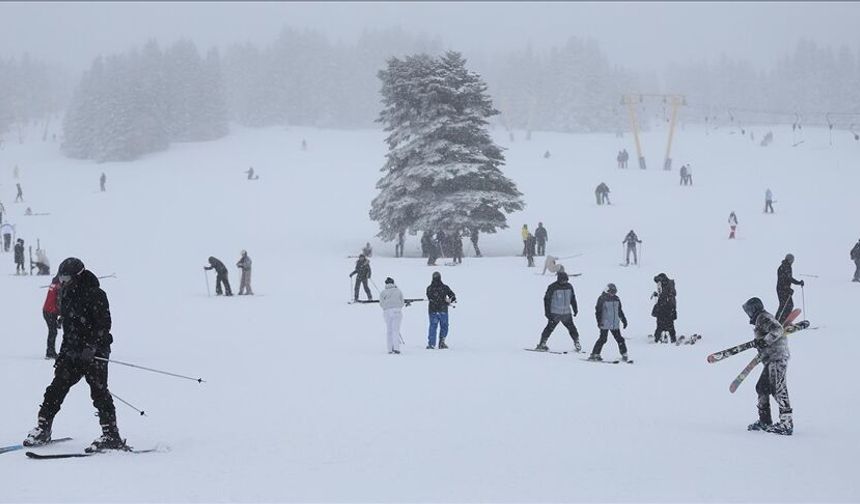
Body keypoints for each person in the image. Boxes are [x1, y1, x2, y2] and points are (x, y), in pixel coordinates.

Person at [23, 257, 127, 452]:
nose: (62, 282)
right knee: (56, 388)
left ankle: (111, 435)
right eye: (61, 278)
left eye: (66, 278)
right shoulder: (66, 293)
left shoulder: (96, 294)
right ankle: (43, 428)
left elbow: (104, 324)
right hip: (72, 351)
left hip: (95, 351)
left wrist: (91, 347)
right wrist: (63, 354)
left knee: (99, 392)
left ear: (77, 276)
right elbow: (69, 328)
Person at [743, 297, 793, 435]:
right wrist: (760, 343)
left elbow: (778, 330)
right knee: (762, 387)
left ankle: (786, 423)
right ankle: (764, 421)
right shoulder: (761, 318)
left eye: (749, 311)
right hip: (771, 358)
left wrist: (764, 341)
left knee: (778, 389)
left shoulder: (763, 318)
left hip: (777, 358)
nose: (748, 314)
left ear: (754, 309)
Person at [536, 271, 581, 352]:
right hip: (555, 313)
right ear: (559, 279)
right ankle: (542, 343)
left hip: (566, 313)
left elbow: (572, 298)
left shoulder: (569, 286)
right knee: (549, 329)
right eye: (563, 280)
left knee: (572, 329)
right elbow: (547, 300)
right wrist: (547, 313)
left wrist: (575, 309)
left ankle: (577, 342)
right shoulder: (553, 287)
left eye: (566, 280)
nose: (565, 281)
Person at [589, 283, 629, 362]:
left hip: (614, 323)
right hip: (605, 323)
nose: (612, 294)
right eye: (611, 292)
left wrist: (624, 320)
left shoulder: (616, 299)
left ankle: (624, 354)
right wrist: (599, 322)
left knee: (620, 339)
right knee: (603, 339)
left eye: (614, 292)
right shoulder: (602, 299)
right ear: (607, 291)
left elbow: (619, 311)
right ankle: (595, 354)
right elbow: (598, 312)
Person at [426, 271, 456, 349]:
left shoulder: (429, 288)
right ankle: (442, 342)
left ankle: (431, 344)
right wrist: (449, 300)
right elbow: (453, 296)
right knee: (444, 326)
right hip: (443, 310)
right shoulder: (445, 287)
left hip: (433, 310)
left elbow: (430, 297)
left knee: (433, 327)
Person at [379, 277, 404, 354]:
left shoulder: (383, 292)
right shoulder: (398, 291)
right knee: (395, 330)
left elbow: (381, 303)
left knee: (389, 331)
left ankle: (389, 349)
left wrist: (386, 307)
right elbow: (402, 302)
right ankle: (396, 348)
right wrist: (398, 306)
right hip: (397, 311)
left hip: (387, 312)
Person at [651, 273, 677, 343]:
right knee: (661, 324)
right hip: (663, 307)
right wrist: (658, 295)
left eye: (659, 281)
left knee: (667, 324)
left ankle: (671, 339)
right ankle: (658, 338)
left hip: (668, 308)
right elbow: (662, 295)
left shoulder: (670, 284)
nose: (658, 283)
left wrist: (664, 298)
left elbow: (671, 294)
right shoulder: (663, 284)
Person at [776, 254, 803, 322]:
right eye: (792, 260)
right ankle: (781, 321)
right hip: (782, 289)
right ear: (790, 260)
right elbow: (787, 279)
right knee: (788, 305)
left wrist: (798, 283)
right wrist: (789, 288)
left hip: (782, 289)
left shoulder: (783, 266)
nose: (792, 262)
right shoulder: (786, 267)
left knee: (784, 305)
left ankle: (780, 320)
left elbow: (787, 279)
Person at [42, 276, 61, 359]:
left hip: (47, 310)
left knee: (52, 331)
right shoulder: (59, 287)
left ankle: (50, 351)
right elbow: (59, 302)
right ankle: (50, 352)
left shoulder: (54, 284)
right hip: (50, 312)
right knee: (53, 331)